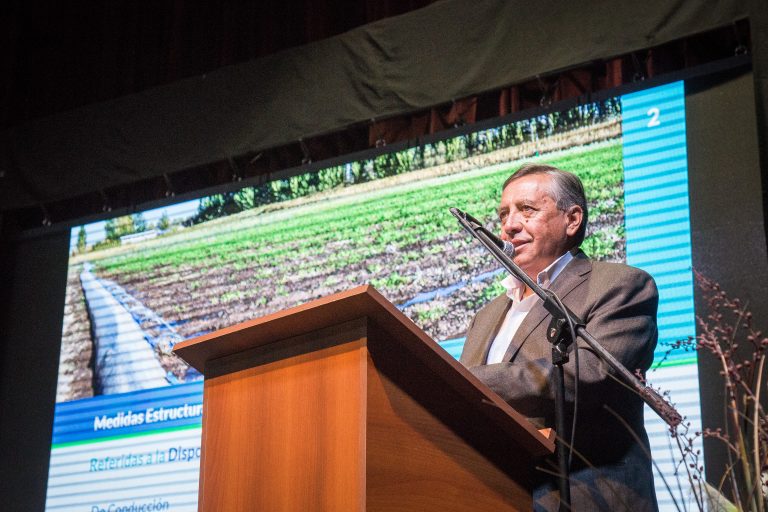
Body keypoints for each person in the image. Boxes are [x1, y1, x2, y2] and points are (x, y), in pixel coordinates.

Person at [460, 163, 659, 511]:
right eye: (504, 214)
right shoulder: (486, 316)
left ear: (572, 219)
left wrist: (469, 381)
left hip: (585, 497)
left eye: (527, 210)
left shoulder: (620, 286)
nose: (509, 225)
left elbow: (591, 374)